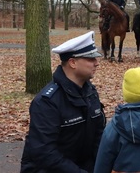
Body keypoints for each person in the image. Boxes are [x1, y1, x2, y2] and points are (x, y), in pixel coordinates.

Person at [20, 31, 106, 173]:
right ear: (72, 63)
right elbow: (44, 153)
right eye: (91, 59)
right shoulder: (47, 102)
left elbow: (99, 135)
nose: (97, 63)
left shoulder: (90, 92)